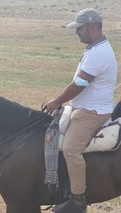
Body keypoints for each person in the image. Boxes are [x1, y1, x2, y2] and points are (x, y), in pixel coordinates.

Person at [46, 8, 117, 213]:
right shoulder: (95, 48)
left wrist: (57, 101)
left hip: (93, 112)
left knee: (71, 149)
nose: (77, 32)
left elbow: (79, 84)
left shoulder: (99, 53)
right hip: (82, 107)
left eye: (79, 29)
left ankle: (78, 199)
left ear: (91, 27)